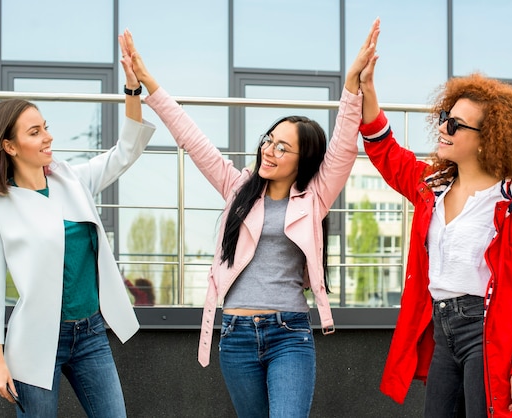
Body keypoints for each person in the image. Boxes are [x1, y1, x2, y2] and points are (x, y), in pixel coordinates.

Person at [123, 20, 380, 418]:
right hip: (236, 335)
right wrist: (148, 83)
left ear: (303, 160)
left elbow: (346, 144)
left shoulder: (315, 198)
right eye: (268, 140)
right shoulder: (237, 187)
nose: (269, 150)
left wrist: (353, 83)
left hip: (289, 333)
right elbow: (191, 138)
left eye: (282, 147)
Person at [358, 44, 512, 417]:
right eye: (445, 116)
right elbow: (388, 154)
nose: (443, 127)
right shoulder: (432, 186)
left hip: (486, 330)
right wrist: (367, 89)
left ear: (488, 139)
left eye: (455, 124)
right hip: (441, 327)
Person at [0, 31, 155, 417]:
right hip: (36, 340)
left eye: (46, 127)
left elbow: (127, 151)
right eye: (35, 132)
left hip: (90, 334)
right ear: (9, 146)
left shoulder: (72, 180)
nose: (48, 137)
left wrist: (132, 89)